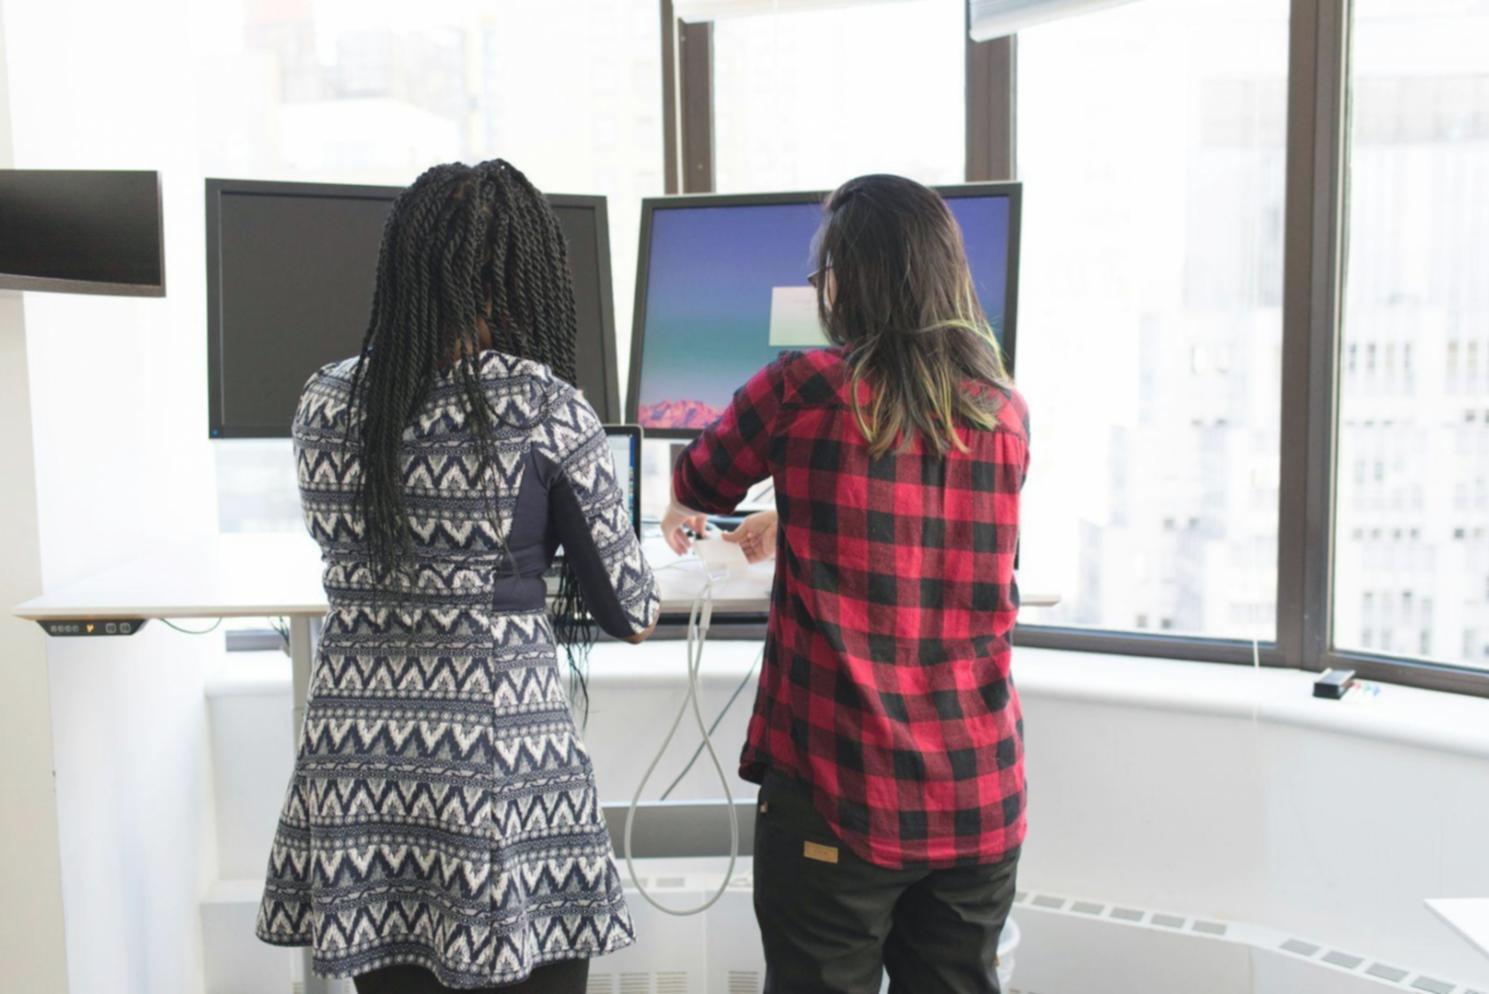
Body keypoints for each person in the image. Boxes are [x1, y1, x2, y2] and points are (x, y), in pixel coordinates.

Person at [256, 160, 660, 994]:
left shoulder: (323, 399)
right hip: (498, 766)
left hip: (360, 773)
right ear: (520, 278)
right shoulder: (540, 404)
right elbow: (629, 611)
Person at [662, 173, 1031, 994]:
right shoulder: (1004, 411)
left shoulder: (803, 387)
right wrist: (796, 510)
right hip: (978, 794)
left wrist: (745, 500)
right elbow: (929, 517)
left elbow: (701, 482)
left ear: (844, 282)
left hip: (842, 792)